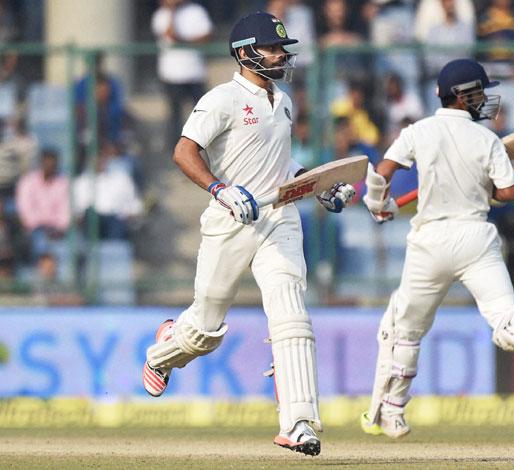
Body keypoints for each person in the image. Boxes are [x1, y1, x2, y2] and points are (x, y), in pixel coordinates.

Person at [141, 12, 356, 456]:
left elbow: (284, 168)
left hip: (278, 218)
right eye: (273, 49)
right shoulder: (221, 98)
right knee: (204, 330)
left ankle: (299, 423)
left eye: (282, 48)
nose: (281, 56)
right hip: (231, 220)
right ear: (245, 54)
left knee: (291, 314)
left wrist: (319, 185)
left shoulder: (285, 100)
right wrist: (219, 189)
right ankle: (162, 352)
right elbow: (184, 151)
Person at [360, 59, 514, 439]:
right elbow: (510, 193)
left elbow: (381, 171)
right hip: (476, 238)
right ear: (461, 95)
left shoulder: (418, 130)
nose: (486, 98)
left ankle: (393, 413)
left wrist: (378, 204)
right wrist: (485, 188)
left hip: (429, 242)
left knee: (405, 330)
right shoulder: (487, 140)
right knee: (502, 313)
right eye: (480, 91)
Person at [151, 0, 213, 150]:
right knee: (175, 117)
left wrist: (186, 41)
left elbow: (206, 36)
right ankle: (176, 151)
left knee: (202, 115)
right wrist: (171, 12)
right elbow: (170, 35)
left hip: (194, 73)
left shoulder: (196, 11)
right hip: (171, 75)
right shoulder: (160, 15)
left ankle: (205, 149)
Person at [15, 149, 70, 261]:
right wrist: (40, 225)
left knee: (77, 244)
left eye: (53, 163)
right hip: (34, 229)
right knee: (39, 241)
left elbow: (66, 210)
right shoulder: (27, 182)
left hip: (58, 231)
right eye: (47, 163)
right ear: (41, 163)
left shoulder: (64, 182)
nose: (50, 166)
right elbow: (25, 211)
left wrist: (59, 228)